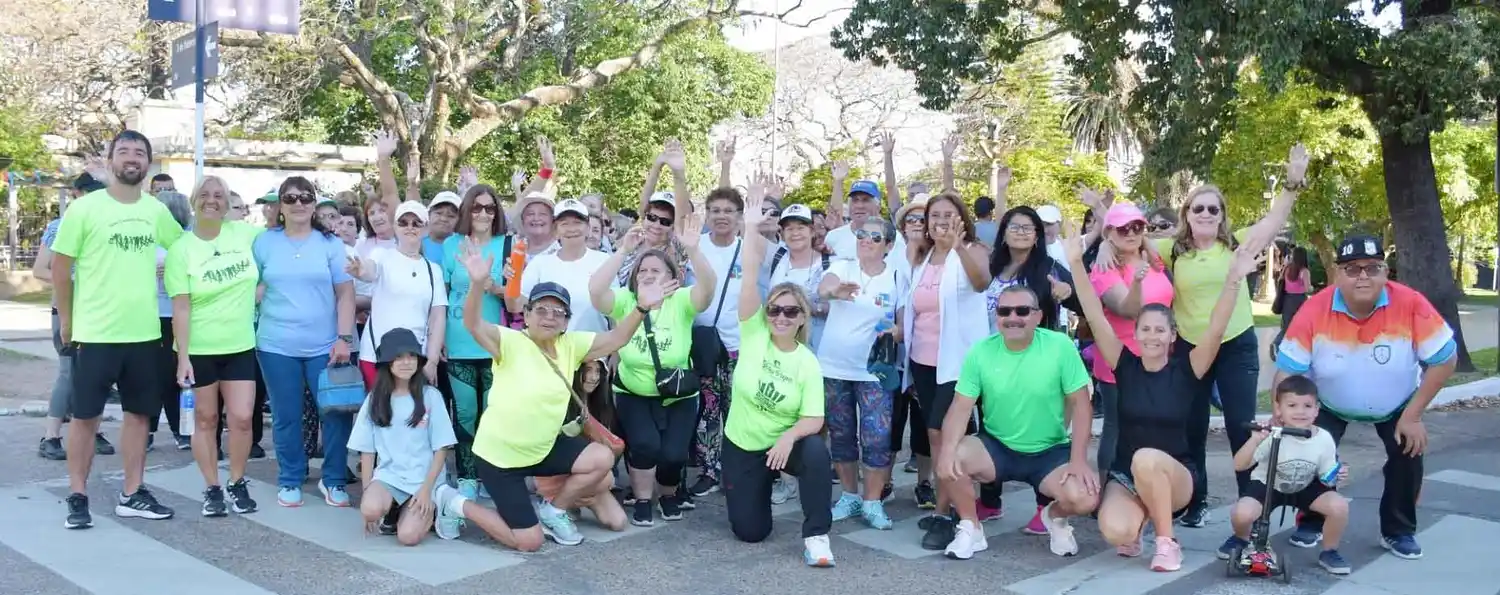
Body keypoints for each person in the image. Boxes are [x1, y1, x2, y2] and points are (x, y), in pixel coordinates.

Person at [1067, 221, 1259, 571]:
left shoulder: (1189, 368)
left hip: (1176, 478)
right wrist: (1076, 262)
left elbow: (1216, 326)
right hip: (1128, 477)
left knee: (1147, 459)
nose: (1152, 336)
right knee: (1116, 532)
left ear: (1173, 336)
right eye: (1145, 329)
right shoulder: (1124, 365)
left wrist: (1234, 279)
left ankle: (1167, 542)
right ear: (1136, 334)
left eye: (1160, 330)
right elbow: (1096, 316)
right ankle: (1138, 523)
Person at [458, 239, 661, 550]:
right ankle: (456, 504)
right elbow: (472, 323)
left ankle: (553, 509)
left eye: (558, 312)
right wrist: (476, 284)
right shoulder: (510, 341)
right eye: (541, 309)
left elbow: (617, 337)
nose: (549, 317)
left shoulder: (572, 344)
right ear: (526, 314)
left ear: (567, 321)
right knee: (529, 542)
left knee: (602, 457)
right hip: (500, 459)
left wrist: (642, 307)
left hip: (542, 450)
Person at [1275, 234, 1456, 560]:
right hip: (1327, 402)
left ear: (1386, 272)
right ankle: (1312, 519)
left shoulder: (1411, 303)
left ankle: (1398, 530)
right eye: (1352, 268)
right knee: (1307, 448)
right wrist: (1283, 414)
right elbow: (1288, 370)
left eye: (1372, 268)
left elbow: (1445, 358)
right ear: (1337, 273)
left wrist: (1413, 415)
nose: (1362, 276)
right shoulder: (1314, 308)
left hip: (1396, 403)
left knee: (1409, 453)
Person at [1158, 144, 1308, 526]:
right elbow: (1124, 237)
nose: (1206, 214)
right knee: (1191, 427)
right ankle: (1195, 502)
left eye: (1214, 208)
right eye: (1198, 208)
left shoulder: (1237, 243)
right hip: (1191, 348)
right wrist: (1105, 237)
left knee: (1242, 426)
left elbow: (1273, 222)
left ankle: (1251, 505)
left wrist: (1291, 184)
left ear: (1222, 216)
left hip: (1236, 344)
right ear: (1186, 215)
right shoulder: (1170, 250)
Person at [51, 130, 185, 528]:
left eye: (139, 152)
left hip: (144, 334)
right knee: (86, 418)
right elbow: (61, 268)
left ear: (148, 163)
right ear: (111, 160)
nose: (132, 158)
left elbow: (183, 252)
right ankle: (77, 495)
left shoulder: (156, 211)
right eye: (123, 151)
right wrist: (69, 322)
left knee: (139, 417)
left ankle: (132, 493)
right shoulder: (86, 209)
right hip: (95, 334)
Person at [935, 284, 1099, 561]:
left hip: (1049, 451)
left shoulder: (1059, 346)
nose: (1013, 317)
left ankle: (1054, 518)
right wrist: (948, 449)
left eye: (1022, 310)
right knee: (951, 458)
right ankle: (970, 527)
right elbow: (960, 408)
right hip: (998, 447)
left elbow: (1082, 406)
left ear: (1037, 315)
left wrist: (1079, 459)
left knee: (1086, 497)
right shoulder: (980, 352)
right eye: (1004, 311)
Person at [723, 179, 835, 568]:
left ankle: (817, 535)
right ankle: (757, 493)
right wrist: (750, 226)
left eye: (790, 311)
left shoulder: (807, 360)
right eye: (775, 310)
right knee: (751, 532)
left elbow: (815, 419)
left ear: (803, 316)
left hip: (782, 445)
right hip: (742, 445)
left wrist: (789, 437)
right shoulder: (753, 332)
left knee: (816, 452)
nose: (781, 317)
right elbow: (751, 271)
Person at [589, 217, 715, 526]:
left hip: (678, 394)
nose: (647, 275)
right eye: (642, 271)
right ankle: (644, 498)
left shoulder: (681, 301)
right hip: (634, 392)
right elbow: (595, 290)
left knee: (673, 454)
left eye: (656, 271)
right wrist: (622, 251)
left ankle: (669, 494)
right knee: (645, 445)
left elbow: (708, 288)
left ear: (673, 278)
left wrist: (694, 251)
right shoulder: (624, 301)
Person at [253, 176, 357, 508]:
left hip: (325, 345)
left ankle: (334, 479)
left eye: (305, 197)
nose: (298, 204)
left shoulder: (329, 244)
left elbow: (345, 293)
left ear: (314, 204)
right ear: (279, 205)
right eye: (290, 198)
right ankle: (290, 477)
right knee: (286, 414)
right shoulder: (263, 242)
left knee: (336, 413)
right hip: (275, 344)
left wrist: (343, 338)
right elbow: (251, 287)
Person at [165, 175, 264, 517]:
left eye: (219, 195)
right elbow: (181, 306)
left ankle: (237, 481)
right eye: (205, 195)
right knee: (205, 420)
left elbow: (280, 246)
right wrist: (183, 357)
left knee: (240, 418)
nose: (212, 200)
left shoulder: (246, 235)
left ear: (228, 202)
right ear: (194, 201)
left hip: (239, 345)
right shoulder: (182, 249)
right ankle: (212, 487)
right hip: (200, 349)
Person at [903, 191, 993, 550]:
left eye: (948, 214)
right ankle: (953, 506)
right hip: (923, 361)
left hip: (957, 362)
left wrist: (958, 247)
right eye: (934, 215)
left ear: (962, 218)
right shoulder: (924, 257)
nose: (940, 220)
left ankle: (947, 514)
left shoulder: (972, 250)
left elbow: (982, 283)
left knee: (944, 436)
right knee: (932, 434)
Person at [818, 215, 903, 530]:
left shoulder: (896, 275)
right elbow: (823, 288)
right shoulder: (842, 266)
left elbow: (904, 324)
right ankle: (850, 496)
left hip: (873, 372)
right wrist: (834, 292)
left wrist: (896, 330)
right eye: (862, 234)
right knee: (840, 436)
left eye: (875, 237)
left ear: (889, 246)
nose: (866, 240)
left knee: (877, 438)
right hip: (834, 366)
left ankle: (872, 502)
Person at [1219, 376, 1352, 575]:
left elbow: (1326, 477)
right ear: (1279, 409)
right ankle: (1242, 539)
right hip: (1268, 484)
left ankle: (1330, 551)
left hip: (1306, 484)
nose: (1300, 411)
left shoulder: (1323, 438)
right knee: (1241, 513)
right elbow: (1240, 465)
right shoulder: (1271, 433)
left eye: (1307, 405)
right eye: (1292, 405)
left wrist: (1337, 474)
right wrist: (1255, 440)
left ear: (1316, 410)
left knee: (1339, 506)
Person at [350, 328, 464, 545]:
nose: (406, 362)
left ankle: (434, 509)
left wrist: (426, 490)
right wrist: (367, 491)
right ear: (387, 363)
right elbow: (367, 449)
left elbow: (441, 448)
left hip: (424, 479)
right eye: (398, 357)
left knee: (408, 537)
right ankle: (394, 508)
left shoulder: (430, 396)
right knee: (370, 509)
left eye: (412, 356)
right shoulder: (375, 398)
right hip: (390, 477)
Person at [34, 171, 116, 461]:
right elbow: (40, 269)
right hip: (69, 309)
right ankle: (51, 436)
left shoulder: (107, 225)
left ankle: (92, 430)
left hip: (101, 310)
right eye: (89, 192)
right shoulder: (60, 226)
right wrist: (75, 280)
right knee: (68, 373)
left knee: (99, 374)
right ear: (77, 194)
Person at [441, 184, 510, 500]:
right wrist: (438, 337)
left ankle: (493, 475)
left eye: (490, 208)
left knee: (495, 414)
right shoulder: (451, 245)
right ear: (467, 211)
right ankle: (468, 475)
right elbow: (439, 297)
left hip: (496, 342)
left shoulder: (508, 245)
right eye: (477, 207)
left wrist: (492, 285)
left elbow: (517, 300)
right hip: (458, 341)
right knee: (466, 412)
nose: (483, 213)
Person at [346, 201, 448, 390]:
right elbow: (370, 270)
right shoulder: (382, 256)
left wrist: (432, 361)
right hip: (377, 355)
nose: (410, 227)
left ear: (425, 229)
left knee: (413, 416)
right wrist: (360, 270)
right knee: (381, 415)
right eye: (403, 222)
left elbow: (438, 317)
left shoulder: (434, 270)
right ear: (395, 227)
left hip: (415, 358)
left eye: (416, 223)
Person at [688, 187, 750, 498]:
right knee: (708, 410)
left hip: (740, 345)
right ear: (707, 215)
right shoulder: (696, 246)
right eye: (715, 211)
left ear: (739, 216)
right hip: (704, 344)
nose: (721, 216)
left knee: (737, 410)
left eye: (728, 211)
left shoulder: (750, 249)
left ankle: (737, 470)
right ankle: (709, 470)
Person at [150, 190, 195, 450]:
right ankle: (148, 430)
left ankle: (183, 431)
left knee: (178, 377)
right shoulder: (149, 241)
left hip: (178, 316)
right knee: (151, 377)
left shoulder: (188, 241)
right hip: (152, 315)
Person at [1272, 246, 1312, 354]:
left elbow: (1280, 279)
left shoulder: (1287, 268)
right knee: (1301, 324)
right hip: (1299, 300)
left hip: (1287, 299)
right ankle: (1285, 345)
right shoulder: (1304, 271)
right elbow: (1308, 288)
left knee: (1286, 325)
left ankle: (1278, 343)